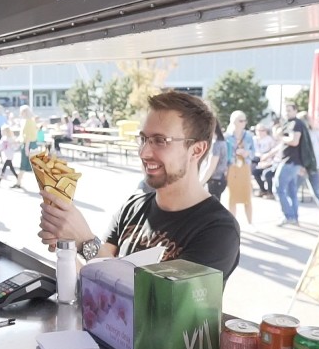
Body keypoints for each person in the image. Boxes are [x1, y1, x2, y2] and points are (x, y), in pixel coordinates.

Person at [38, 92, 240, 283]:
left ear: (197, 150)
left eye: (160, 141)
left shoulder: (218, 230)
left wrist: (86, 242)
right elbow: (97, 279)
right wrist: (67, 247)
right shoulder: (133, 207)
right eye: (143, 139)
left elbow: (162, 305)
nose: (144, 153)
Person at [274, 102, 306, 226]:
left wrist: (281, 137)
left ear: (295, 110)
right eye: (285, 110)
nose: (287, 112)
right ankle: (294, 216)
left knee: (278, 188)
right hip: (291, 161)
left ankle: (289, 216)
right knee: (291, 191)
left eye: (289, 110)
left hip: (290, 161)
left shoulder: (296, 124)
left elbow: (294, 141)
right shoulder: (290, 123)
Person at [225, 110, 256, 226]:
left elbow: (254, 152)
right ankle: (232, 224)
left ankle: (250, 223)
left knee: (247, 195)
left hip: (245, 167)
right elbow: (224, 155)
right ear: (234, 121)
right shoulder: (227, 137)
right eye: (241, 120)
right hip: (232, 167)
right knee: (232, 196)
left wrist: (247, 153)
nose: (244, 122)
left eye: (244, 120)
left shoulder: (248, 136)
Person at [297, 112, 319, 215]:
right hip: (316, 165)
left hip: (305, 166)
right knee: (316, 191)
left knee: (293, 190)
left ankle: (292, 215)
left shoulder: (303, 134)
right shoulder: (317, 132)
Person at [200, 122, 228, 201]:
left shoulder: (216, 144)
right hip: (219, 179)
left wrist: (200, 183)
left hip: (214, 180)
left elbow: (211, 167)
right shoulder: (222, 142)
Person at [251, 123, 278, 198]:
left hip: (268, 161)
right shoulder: (254, 139)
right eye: (258, 130)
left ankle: (270, 192)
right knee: (255, 172)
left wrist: (267, 159)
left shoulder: (269, 139)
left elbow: (273, 152)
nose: (260, 132)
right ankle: (263, 190)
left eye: (262, 130)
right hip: (257, 160)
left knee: (267, 173)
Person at [15, 105, 38, 189]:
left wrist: (26, 148)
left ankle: (18, 182)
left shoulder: (28, 121)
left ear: (24, 112)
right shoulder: (30, 121)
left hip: (28, 145)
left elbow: (28, 135)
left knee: (25, 165)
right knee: (32, 165)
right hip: (31, 144)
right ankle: (18, 182)